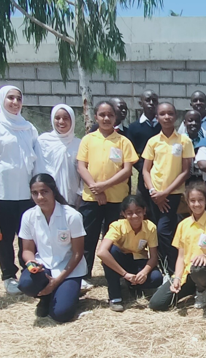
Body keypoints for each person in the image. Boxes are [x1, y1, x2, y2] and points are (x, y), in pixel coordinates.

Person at [0, 85, 41, 295]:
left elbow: (36, 161)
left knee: (27, 236)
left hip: (27, 194)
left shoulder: (29, 128)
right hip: (3, 194)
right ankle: (8, 275)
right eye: (10, 98)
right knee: (4, 239)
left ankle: (28, 270)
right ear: (1, 100)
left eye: (18, 98)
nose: (15, 103)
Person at [76, 100, 137, 282]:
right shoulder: (88, 139)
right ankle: (84, 275)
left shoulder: (123, 141)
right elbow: (81, 166)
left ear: (115, 117)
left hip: (116, 199)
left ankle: (115, 275)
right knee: (88, 238)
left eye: (110, 115)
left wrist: (104, 186)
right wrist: (97, 189)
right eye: (102, 115)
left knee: (114, 239)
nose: (106, 118)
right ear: (96, 117)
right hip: (91, 198)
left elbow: (127, 170)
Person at [16, 174, 89, 323]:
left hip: (68, 269)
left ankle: (66, 292)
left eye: (44, 192)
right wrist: (32, 264)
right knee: (25, 284)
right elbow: (27, 250)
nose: (40, 197)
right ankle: (46, 296)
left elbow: (78, 253)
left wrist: (56, 281)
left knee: (61, 314)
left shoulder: (71, 216)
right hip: (44, 267)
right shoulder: (28, 216)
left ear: (53, 191)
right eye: (35, 193)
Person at [151, 183, 206, 310]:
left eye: (200, 200)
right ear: (187, 202)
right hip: (187, 272)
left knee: (198, 268)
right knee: (157, 303)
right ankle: (191, 288)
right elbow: (180, 257)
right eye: (192, 201)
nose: (197, 204)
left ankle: (202, 290)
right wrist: (178, 278)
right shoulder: (183, 225)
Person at [142, 102, 193, 270]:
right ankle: (160, 265)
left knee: (165, 231)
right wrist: (153, 192)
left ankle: (171, 269)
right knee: (156, 230)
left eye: (170, 113)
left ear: (176, 117)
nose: (166, 117)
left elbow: (186, 171)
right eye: (162, 114)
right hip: (154, 194)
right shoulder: (153, 141)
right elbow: (145, 170)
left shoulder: (184, 141)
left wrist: (165, 193)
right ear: (157, 117)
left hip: (172, 195)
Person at [94, 194, 163, 312]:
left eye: (138, 211)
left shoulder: (150, 227)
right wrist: (125, 274)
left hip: (138, 260)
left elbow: (153, 256)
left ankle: (133, 284)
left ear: (144, 211)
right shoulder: (117, 226)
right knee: (112, 251)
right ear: (123, 214)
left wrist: (144, 273)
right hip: (120, 261)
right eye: (130, 213)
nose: (135, 216)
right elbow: (101, 252)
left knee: (156, 278)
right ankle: (115, 296)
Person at [37, 104, 85, 225]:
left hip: (71, 197)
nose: (61, 121)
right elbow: (38, 169)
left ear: (72, 120)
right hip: (47, 196)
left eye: (66, 118)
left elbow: (82, 171)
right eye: (57, 118)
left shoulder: (79, 144)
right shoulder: (43, 141)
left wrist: (80, 195)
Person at [124, 91, 162, 197]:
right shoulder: (133, 127)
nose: (151, 103)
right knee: (144, 205)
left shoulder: (163, 126)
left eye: (154, 101)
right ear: (141, 103)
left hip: (163, 173)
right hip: (143, 172)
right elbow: (131, 152)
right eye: (147, 100)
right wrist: (144, 168)